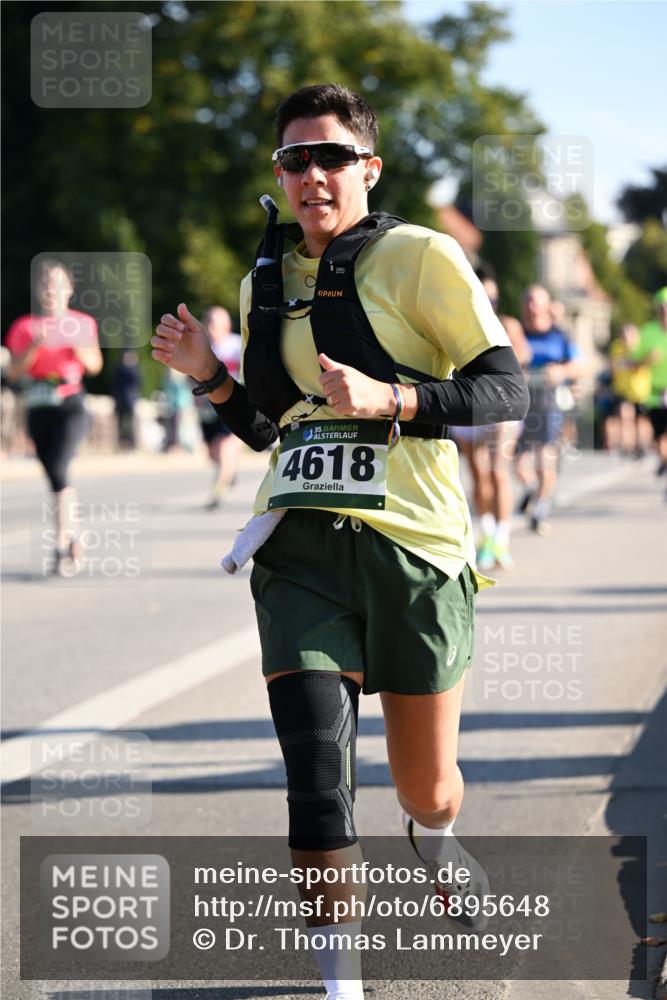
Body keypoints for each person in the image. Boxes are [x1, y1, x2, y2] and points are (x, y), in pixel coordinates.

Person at [151, 84, 528, 999]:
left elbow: (503, 390)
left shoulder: (421, 256)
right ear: (277, 175)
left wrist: (392, 399)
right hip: (301, 547)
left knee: (425, 786)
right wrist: (209, 378)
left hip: (416, 547)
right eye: (293, 160)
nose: (310, 175)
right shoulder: (264, 280)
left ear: (368, 167)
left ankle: (434, 844)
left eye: (328, 157)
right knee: (317, 772)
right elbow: (268, 427)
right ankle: (340, 982)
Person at [5, 259, 103, 575]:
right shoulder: (24, 326)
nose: (51, 290)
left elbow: (95, 366)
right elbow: (15, 373)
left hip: (69, 403)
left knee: (60, 469)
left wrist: (76, 344)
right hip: (37, 405)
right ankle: (73, 534)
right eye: (46, 284)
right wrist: (35, 345)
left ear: (69, 290)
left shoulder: (82, 323)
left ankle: (61, 545)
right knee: (56, 478)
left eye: (58, 284)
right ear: (38, 290)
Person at [454, 268, 531, 570]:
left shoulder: (507, 325)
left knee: (499, 472)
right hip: (469, 406)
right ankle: (486, 537)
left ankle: (502, 538)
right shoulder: (455, 320)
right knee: (478, 475)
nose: (490, 302)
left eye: (494, 298)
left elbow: (523, 356)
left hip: (501, 409)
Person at [515, 284, 585, 535]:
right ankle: (533, 489)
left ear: (546, 307)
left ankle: (540, 510)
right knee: (515, 461)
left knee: (545, 458)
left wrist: (562, 372)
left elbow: (578, 366)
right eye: (528, 302)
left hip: (548, 404)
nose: (532, 307)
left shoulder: (560, 336)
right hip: (519, 404)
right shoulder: (517, 334)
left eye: (537, 302)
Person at [194, 306, 243, 508]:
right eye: (208, 322)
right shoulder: (204, 347)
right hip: (208, 406)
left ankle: (217, 492)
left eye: (215, 322)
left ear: (226, 325)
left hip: (234, 402)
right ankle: (228, 473)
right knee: (211, 452)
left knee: (225, 448)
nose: (211, 327)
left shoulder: (237, 345)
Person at [608, 323, 652, 457]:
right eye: (623, 335)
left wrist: (632, 363)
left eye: (629, 335)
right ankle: (628, 445)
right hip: (623, 389)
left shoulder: (641, 347)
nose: (625, 338)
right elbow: (614, 365)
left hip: (640, 391)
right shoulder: (617, 347)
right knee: (625, 416)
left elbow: (642, 363)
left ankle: (641, 443)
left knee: (640, 420)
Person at [637, 287, 667, 479]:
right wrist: (647, 359)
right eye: (662, 307)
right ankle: (664, 460)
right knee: (658, 439)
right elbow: (632, 361)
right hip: (654, 393)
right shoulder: (647, 332)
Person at [112, 349, 142, 450]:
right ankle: (121, 442)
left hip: (130, 401)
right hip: (121, 400)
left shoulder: (135, 370)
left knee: (130, 422)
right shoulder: (119, 369)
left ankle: (131, 443)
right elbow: (115, 385)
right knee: (120, 422)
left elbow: (138, 383)